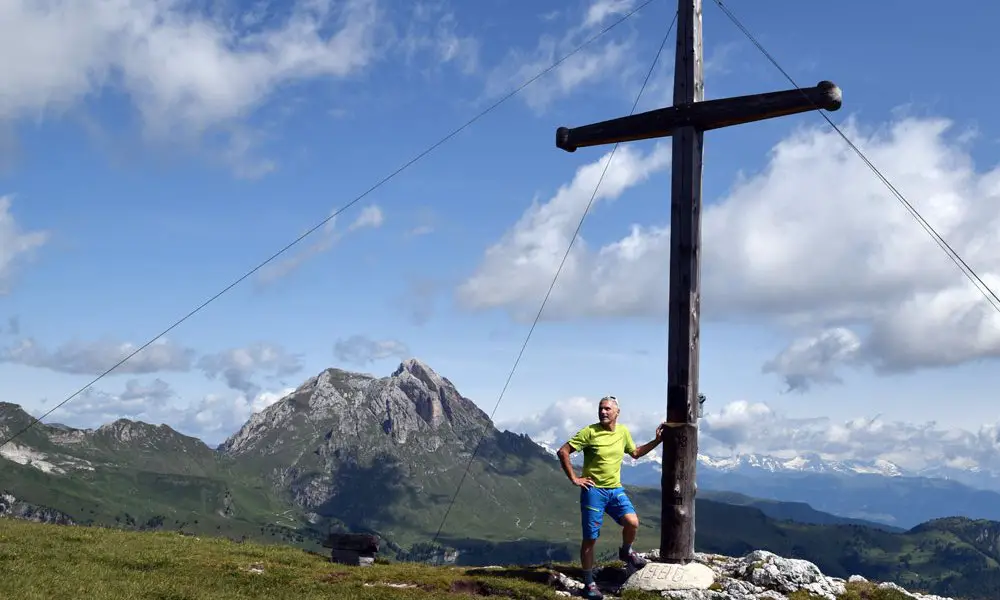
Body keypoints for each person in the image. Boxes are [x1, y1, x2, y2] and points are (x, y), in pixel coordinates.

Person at [556, 395, 665, 600]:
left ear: (617, 412)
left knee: (632, 522)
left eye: (607, 409)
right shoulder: (589, 432)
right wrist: (575, 479)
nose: (603, 412)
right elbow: (563, 452)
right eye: (600, 409)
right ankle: (589, 584)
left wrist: (657, 441)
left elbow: (635, 453)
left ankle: (626, 552)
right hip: (593, 491)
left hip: (615, 489)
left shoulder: (623, 432)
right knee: (590, 538)